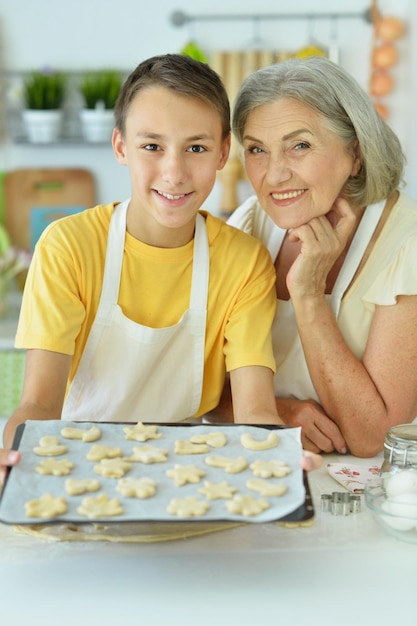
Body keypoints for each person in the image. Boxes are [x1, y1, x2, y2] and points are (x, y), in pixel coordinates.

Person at [0, 54, 321, 485]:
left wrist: (277, 458)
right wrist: (14, 456)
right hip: (72, 470)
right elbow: (40, 404)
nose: (174, 172)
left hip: (189, 475)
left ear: (224, 152)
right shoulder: (68, 247)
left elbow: (255, 410)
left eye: (196, 148)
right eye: (152, 146)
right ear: (120, 147)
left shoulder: (243, 262)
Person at [217, 55, 417, 458]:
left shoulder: (406, 242)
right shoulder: (249, 225)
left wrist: (308, 295)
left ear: (356, 153)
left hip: (377, 491)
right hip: (268, 459)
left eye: (300, 146)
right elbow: (203, 391)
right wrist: (278, 413)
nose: (274, 175)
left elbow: (373, 437)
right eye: (257, 149)